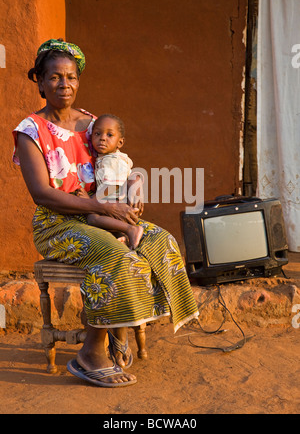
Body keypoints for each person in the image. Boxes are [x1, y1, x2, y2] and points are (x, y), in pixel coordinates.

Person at [12, 38, 199, 388]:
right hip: (58, 224)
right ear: (39, 81)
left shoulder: (93, 123)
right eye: (54, 77)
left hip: (105, 211)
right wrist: (101, 205)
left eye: (71, 77)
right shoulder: (30, 132)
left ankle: (120, 325)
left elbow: (117, 168)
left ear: (79, 81)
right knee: (114, 253)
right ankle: (91, 353)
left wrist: (133, 192)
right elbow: (42, 194)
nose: (64, 84)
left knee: (160, 240)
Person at [76, 113, 144, 250]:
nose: (102, 138)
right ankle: (122, 236)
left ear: (120, 142)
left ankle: (131, 230)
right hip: (114, 204)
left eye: (109, 135)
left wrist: (89, 202)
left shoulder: (112, 161)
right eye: (97, 134)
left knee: (92, 218)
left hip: (118, 206)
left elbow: (112, 186)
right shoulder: (106, 158)